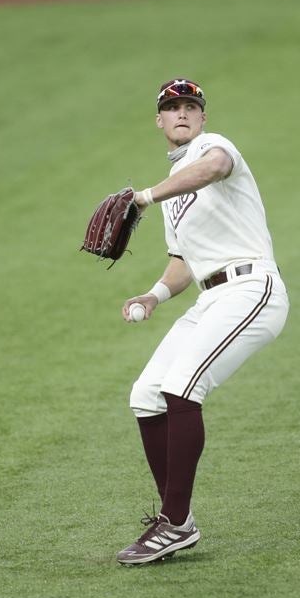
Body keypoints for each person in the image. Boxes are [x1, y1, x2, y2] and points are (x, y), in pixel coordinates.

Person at [115, 78, 290, 565]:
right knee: (147, 395)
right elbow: (185, 262)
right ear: (159, 121)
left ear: (203, 116)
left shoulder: (214, 147)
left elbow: (212, 170)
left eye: (191, 106)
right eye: (172, 108)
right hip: (209, 298)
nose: (183, 114)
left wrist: (145, 196)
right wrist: (153, 295)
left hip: (252, 288)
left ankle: (172, 524)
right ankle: (179, 522)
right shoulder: (173, 195)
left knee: (183, 387)